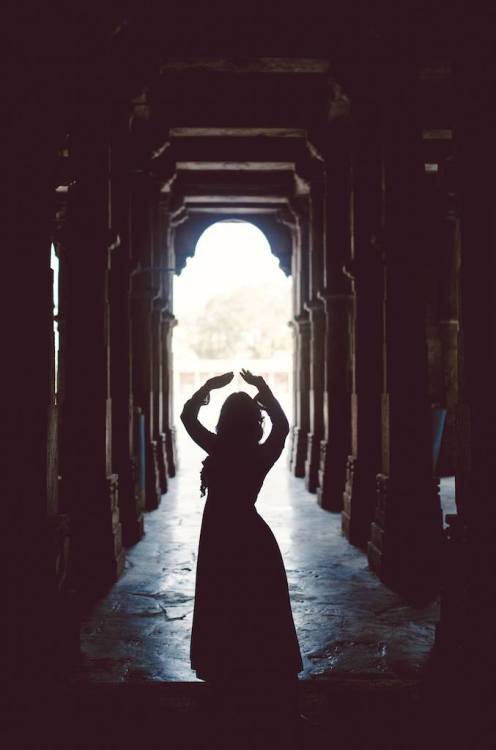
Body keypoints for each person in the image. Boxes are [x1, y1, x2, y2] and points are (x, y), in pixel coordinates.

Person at [180, 369, 303, 736]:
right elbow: (282, 426)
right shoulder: (259, 455)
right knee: (260, 611)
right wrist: (263, 389)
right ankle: (264, 684)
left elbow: (187, 417)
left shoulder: (218, 448)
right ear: (253, 423)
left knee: (224, 606)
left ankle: (228, 682)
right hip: (252, 538)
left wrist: (208, 388)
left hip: (220, 539)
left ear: (225, 422)